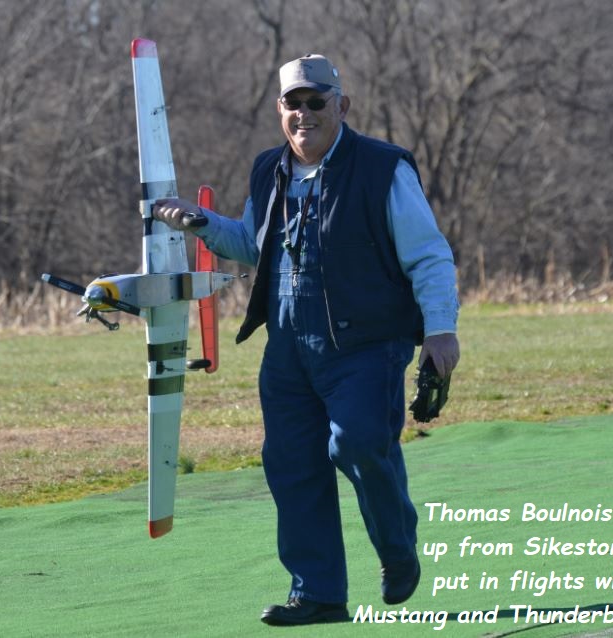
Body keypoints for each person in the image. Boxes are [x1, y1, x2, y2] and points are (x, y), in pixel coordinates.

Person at [154, 53, 460, 626]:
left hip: (366, 346)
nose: (304, 114)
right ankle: (318, 592)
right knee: (292, 465)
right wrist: (199, 223)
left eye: (317, 101)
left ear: (341, 106)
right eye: (293, 103)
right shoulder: (267, 169)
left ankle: (397, 549)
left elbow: (429, 255)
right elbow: (253, 244)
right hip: (289, 348)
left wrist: (441, 329)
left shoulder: (383, 168)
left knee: (356, 444)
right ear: (279, 110)